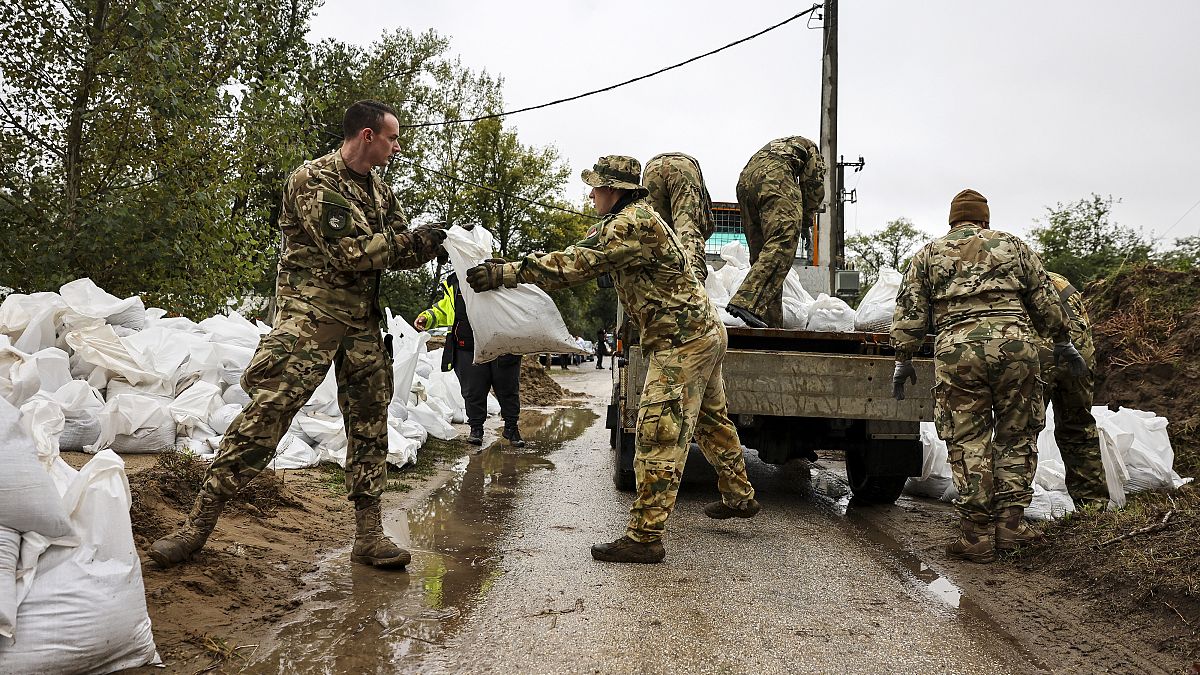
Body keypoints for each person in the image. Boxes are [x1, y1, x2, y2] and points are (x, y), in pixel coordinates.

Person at [149, 100, 447, 571]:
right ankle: (195, 527)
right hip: (310, 318)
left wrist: (434, 243)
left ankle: (368, 536)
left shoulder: (380, 192)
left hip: (361, 324)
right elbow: (352, 254)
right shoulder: (314, 180)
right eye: (391, 137)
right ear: (367, 136)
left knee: (370, 425)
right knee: (267, 415)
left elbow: (395, 250)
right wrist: (411, 242)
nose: (396, 146)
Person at [465, 155, 759, 564]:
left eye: (596, 187)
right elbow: (580, 249)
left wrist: (507, 274)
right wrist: (511, 266)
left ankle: (645, 537)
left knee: (658, 431)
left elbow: (572, 265)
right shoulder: (626, 222)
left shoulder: (630, 224)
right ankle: (740, 496)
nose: (590, 194)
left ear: (615, 191)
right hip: (701, 333)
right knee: (712, 420)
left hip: (683, 341)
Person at [890, 189, 1087, 564]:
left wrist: (904, 360)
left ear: (952, 221)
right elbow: (1046, 300)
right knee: (1017, 433)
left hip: (958, 352)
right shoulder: (1014, 246)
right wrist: (1063, 342)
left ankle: (975, 534)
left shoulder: (929, 254)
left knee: (967, 439)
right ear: (985, 220)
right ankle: (1011, 525)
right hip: (1016, 349)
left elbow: (909, 313)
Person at [726, 136, 827, 328]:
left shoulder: (778, 146)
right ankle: (746, 301)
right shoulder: (810, 148)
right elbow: (814, 184)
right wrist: (805, 221)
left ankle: (768, 322)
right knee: (783, 243)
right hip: (776, 177)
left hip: (746, 181)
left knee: (763, 253)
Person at [416, 273, 524, 448]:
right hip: (467, 348)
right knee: (473, 391)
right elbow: (444, 309)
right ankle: (476, 429)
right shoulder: (457, 284)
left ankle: (511, 428)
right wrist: (428, 317)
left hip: (503, 348)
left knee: (508, 389)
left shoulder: (505, 277)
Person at [1037, 272, 1108, 508]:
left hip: (1043, 352)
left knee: (1020, 433)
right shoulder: (1061, 280)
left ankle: (1009, 515)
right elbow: (1083, 324)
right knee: (1079, 428)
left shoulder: (1016, 281)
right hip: (1081, 354)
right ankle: (1093, 506)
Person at [642, 152, 715, 282]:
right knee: (688, 230)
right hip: (683, 166)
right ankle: (693, 289)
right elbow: (695, 230)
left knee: (653, 236)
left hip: (651, 168)